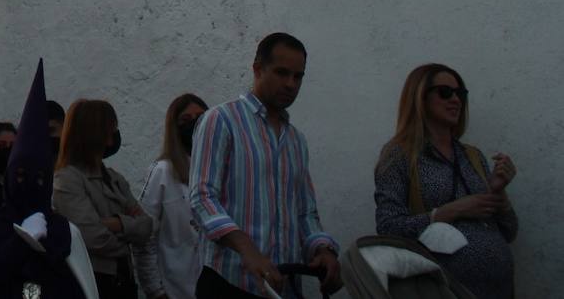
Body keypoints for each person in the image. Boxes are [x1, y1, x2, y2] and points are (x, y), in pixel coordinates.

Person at [190, 32, 339, 299]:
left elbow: (305, 212)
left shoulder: (296, 140)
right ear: (258, 69)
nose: (290, 84)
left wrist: (322, 250)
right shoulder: (221, 120)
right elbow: (202, 198)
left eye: (298, 76)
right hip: (229, 284)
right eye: (282, 73)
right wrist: (246, 248)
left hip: (284, 286)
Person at [373, 63, 517, 299]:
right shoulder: (400, 156)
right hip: (440, 290)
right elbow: (388, 228)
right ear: (420, 97)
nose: (456, 100)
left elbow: (509, 231)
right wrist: (449, 211)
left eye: (460, 94)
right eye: (445, 92)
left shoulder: (473, 156)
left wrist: (498, 192)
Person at [0, 60, 96, 299]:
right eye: (20, 175)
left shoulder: (64, 231)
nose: (30, 183)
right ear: (10, 177)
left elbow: (77, 289)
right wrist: (22, 242)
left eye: (39, 177)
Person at [52, 99, 151, 298]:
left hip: (123, 281)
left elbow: (147, 226)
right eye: (111, 128)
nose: (114, 134)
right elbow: (91, 236)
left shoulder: (115, 179)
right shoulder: (68, 179)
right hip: (94, 282)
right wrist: (128, 236)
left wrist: (116, 224)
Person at [136, 94, 207, 299]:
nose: (194, 124)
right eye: (186, 120)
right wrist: (156, 291)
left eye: (201, 117)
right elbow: (145, 237)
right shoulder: (162, 172)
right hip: (176, 289)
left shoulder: (221, 170)